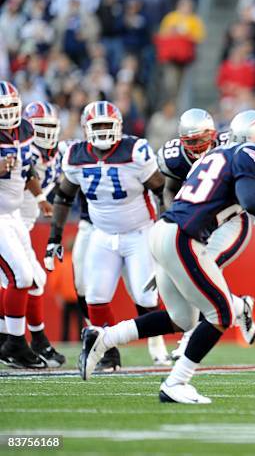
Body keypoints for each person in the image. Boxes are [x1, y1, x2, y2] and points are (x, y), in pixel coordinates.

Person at [78, 110, 255, 404]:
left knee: (182, 318)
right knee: (221, 314)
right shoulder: (248, 153)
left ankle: (104, 337)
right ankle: (177, 382)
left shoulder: (217, 155)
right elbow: (251, 201)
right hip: (184, 236)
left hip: (163, 231)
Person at [44, 100, 171, 371]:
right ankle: (109, 353)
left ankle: (156, 341)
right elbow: (64, 197)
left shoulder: (134, 151)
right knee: (95, 296)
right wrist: (55, 236)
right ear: (85, 129)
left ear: (119, 127)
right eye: (97, 126)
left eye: (107, 125)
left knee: (146, 298)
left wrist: (169, 223)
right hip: (102, 233)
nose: (102, 131)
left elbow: (161, 190)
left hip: (139, 232)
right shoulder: (76, 155)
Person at [157, 108, 255, 359]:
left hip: (230, 219)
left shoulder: (232, 146)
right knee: (191, 273)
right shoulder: (174, 158)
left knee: (198, 271)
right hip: (196, 221)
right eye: (191, 142)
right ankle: (240, 307)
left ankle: (189, 337)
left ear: (214, 135)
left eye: (203, 140)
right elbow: (169, 190)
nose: (198, 146)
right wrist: (176, 217)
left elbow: (253, 179)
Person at [0, 81, 50, 368]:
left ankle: (7, 339)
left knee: (28, 278)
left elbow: (28, 168)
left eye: (10, 106)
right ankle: (16, 345)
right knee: (19, 276)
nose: (7, 113)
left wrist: (40, 195)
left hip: (14, 214)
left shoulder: (26, 130)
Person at [16, 101, 67, 367]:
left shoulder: (59, 154)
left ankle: (33, 341)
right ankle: (27, 341)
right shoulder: (21, 148)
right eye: (41, 126)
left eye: (51, 126)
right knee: (28, 279)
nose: (46, 133)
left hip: (22, 224)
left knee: (33, 281)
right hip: (9, 221)